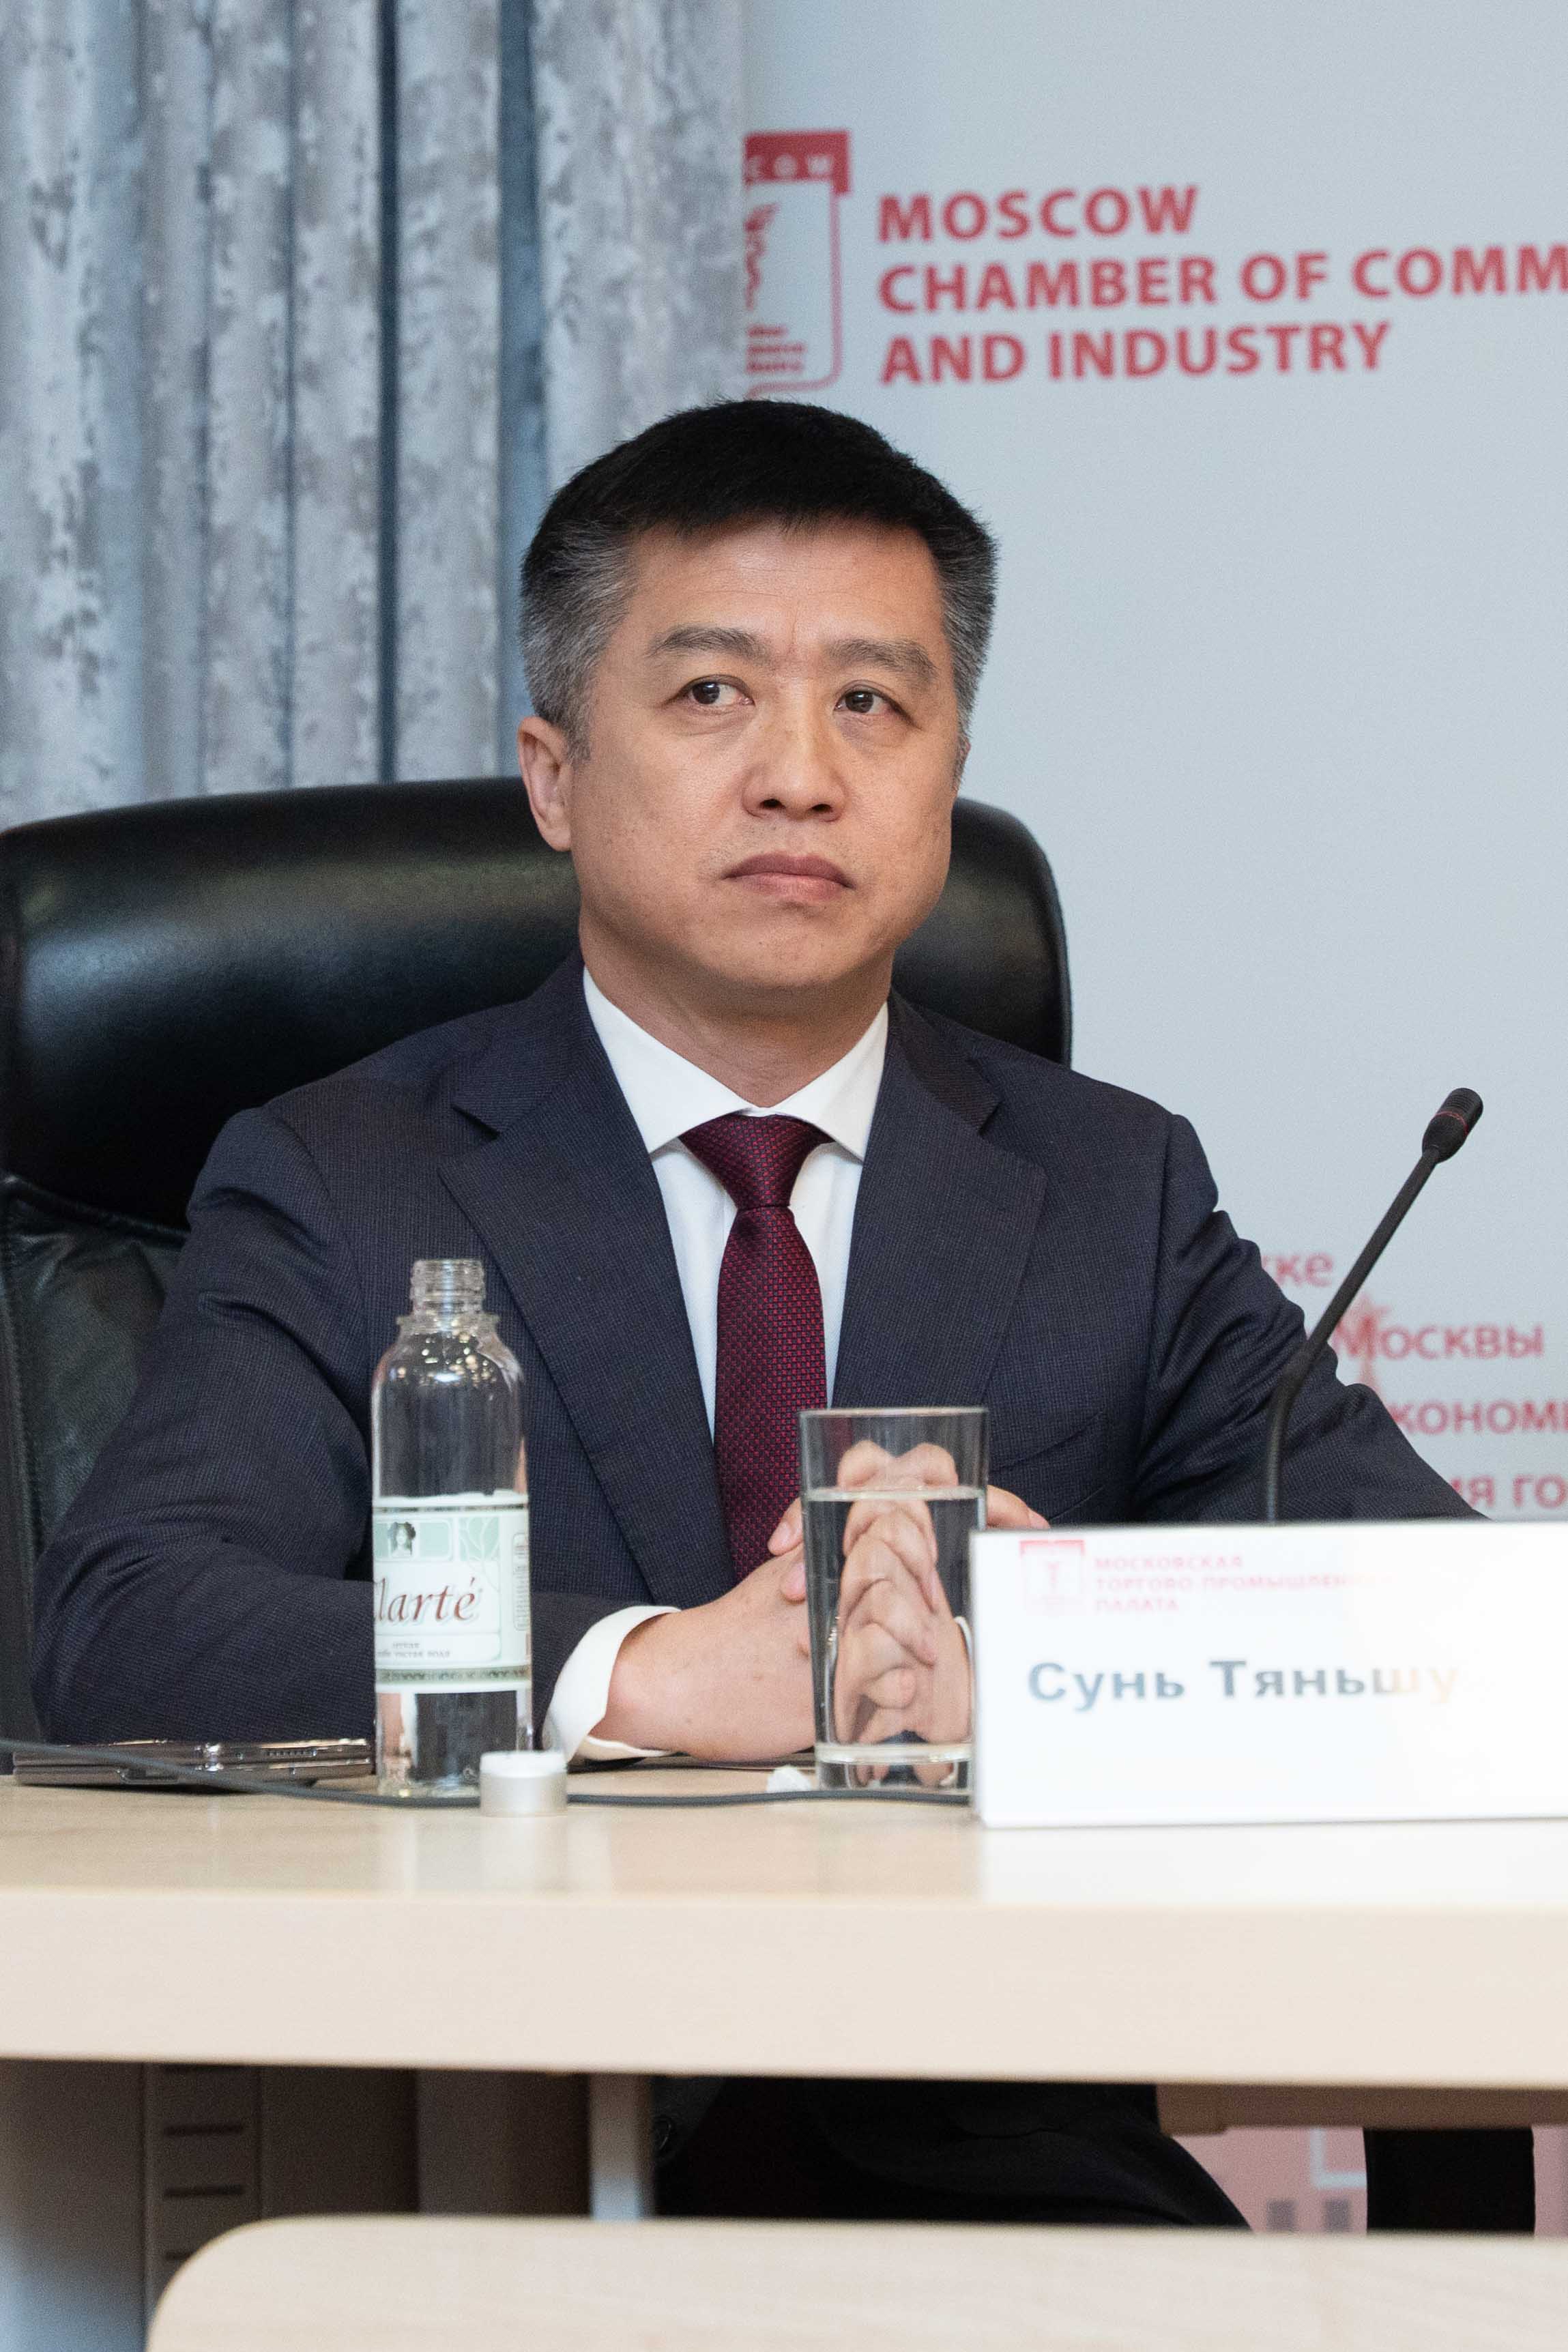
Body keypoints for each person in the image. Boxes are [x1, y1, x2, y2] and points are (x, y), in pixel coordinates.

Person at [31, 400, 1528, 2231]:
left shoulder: (1106, 1190)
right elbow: (130, 1625)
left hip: (982, 2167)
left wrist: (1064, 1668)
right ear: (554, 774)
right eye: (710, 693)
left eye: (873, 703)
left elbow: (1446, 1645)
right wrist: (641, 1674)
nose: (801, 775)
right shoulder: (348, 1174)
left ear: (948, 774)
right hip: (460, 2139)